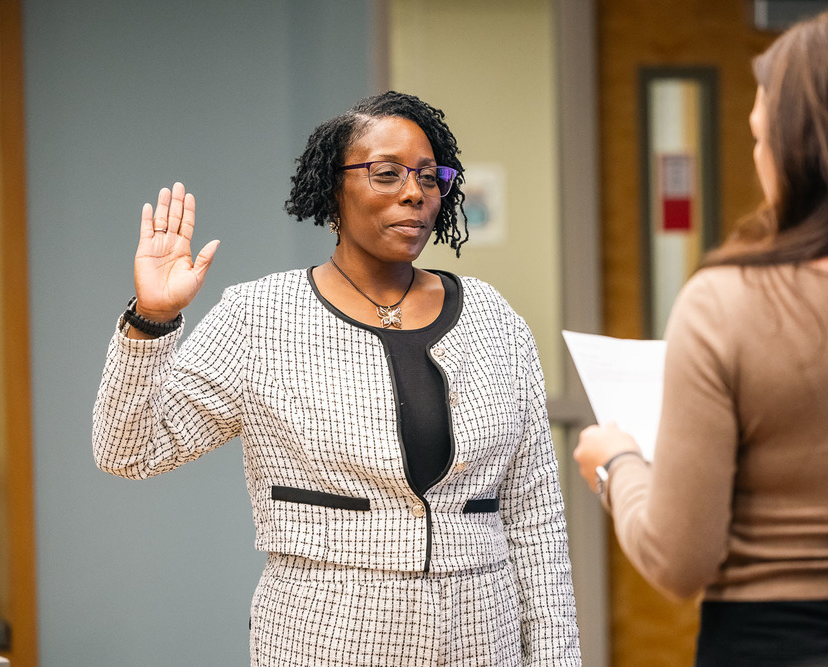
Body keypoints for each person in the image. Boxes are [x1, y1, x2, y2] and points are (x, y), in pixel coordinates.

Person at [93, 91, 581, 666]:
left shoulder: (493, 318)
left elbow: (535, 520)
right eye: (387, 173)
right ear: (333, 189)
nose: (414, 193)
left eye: (429, 177)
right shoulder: (261, 316)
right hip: (325, 637)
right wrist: (151, 320)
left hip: (482, 636)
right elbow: (128, 450)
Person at [574, 8, 828, 666]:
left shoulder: (725, 305)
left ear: (797, 155)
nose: (759, 160)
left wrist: (616, 463)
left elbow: (678, 559)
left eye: (760, 139)